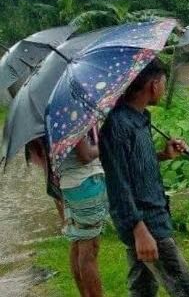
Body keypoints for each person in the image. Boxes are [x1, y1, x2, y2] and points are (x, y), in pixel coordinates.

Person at [98, 59, 189, 297]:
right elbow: (118, 182)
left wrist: (164, 155)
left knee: (143, 288)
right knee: (188, 289)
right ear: (153, 86)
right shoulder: (117, 125)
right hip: (145, 221)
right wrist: (139, 230)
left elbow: (134, 164)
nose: (164, 89)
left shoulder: (140, 118)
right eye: (163, 84)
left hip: (151, 212)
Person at [57, 127, 108, 297]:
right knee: (89, 250)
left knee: (78, 244)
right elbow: (85, 155)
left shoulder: (54, 115)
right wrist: (106, 143)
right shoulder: (71, 114)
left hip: (70, 183)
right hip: (85, 183)